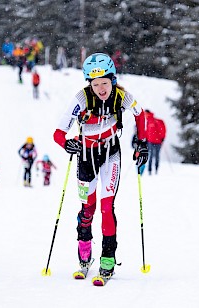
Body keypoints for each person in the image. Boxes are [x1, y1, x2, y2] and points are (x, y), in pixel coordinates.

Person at [53, 52, 149, 279]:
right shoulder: (81, 99)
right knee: (88, 209)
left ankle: (108, 258)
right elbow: (58, 133)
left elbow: (141, 114)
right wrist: (67, 145)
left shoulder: (121, 97)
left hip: (111, 155)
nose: (101, 88)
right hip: (86, 157)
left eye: (105, 83)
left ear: (112, 79)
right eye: (95, 84)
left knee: (107, 207)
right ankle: (84, 257)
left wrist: (142, 143)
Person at [145, 110, 166, 175]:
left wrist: (162, 138)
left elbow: (162, 130)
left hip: (157, 142)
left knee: (156, 156)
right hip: (150, 142)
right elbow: (147, 132)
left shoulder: (156, 121)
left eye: (145, 114)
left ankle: (156, 170)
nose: (145, 115)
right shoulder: (148, 121)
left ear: (148, 114)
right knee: (151, 156)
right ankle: (150, 170)